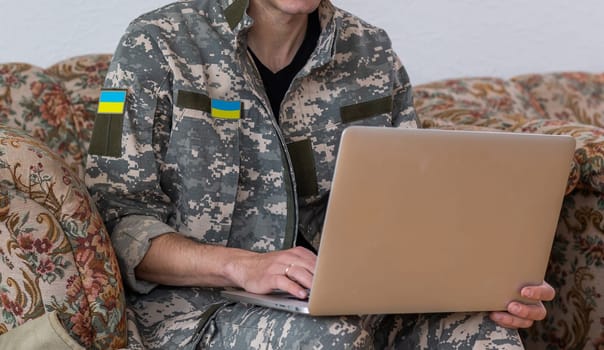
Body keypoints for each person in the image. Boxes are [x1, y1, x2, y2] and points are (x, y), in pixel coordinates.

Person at [85, 0, 556, 348]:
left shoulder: (370, 50)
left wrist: (482, 284)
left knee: (488, 334)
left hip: (357, 302)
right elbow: (119, 224)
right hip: (201, 310)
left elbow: (417, 213)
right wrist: (243, 265)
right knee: (327, 339)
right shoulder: (157, 43)